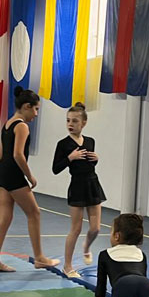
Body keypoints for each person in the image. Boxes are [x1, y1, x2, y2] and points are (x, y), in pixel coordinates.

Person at [0, 87, 59, 272]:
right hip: (12, 174)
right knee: (34, 213)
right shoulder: (22, 126)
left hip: (1, 172)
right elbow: (18, 155)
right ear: (27, 106)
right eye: (35, 109)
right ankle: (40, 258)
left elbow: (2, 153)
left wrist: (3, 171)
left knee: (5, 217)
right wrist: (30, 176)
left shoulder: (7, 124)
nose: (36, 114)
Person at [52, 102, 105, 278]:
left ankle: (86, 247)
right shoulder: (63, 144)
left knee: (95, 228)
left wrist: (96, 159)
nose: (70, 124)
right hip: (77, 186)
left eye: (75, 121)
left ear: (84, 123)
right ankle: (67, 266)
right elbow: (55, 168)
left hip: (92, 184)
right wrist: (70, 157)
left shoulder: (90, 141)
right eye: (68, 120)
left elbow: (89, 164)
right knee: (76, 229)